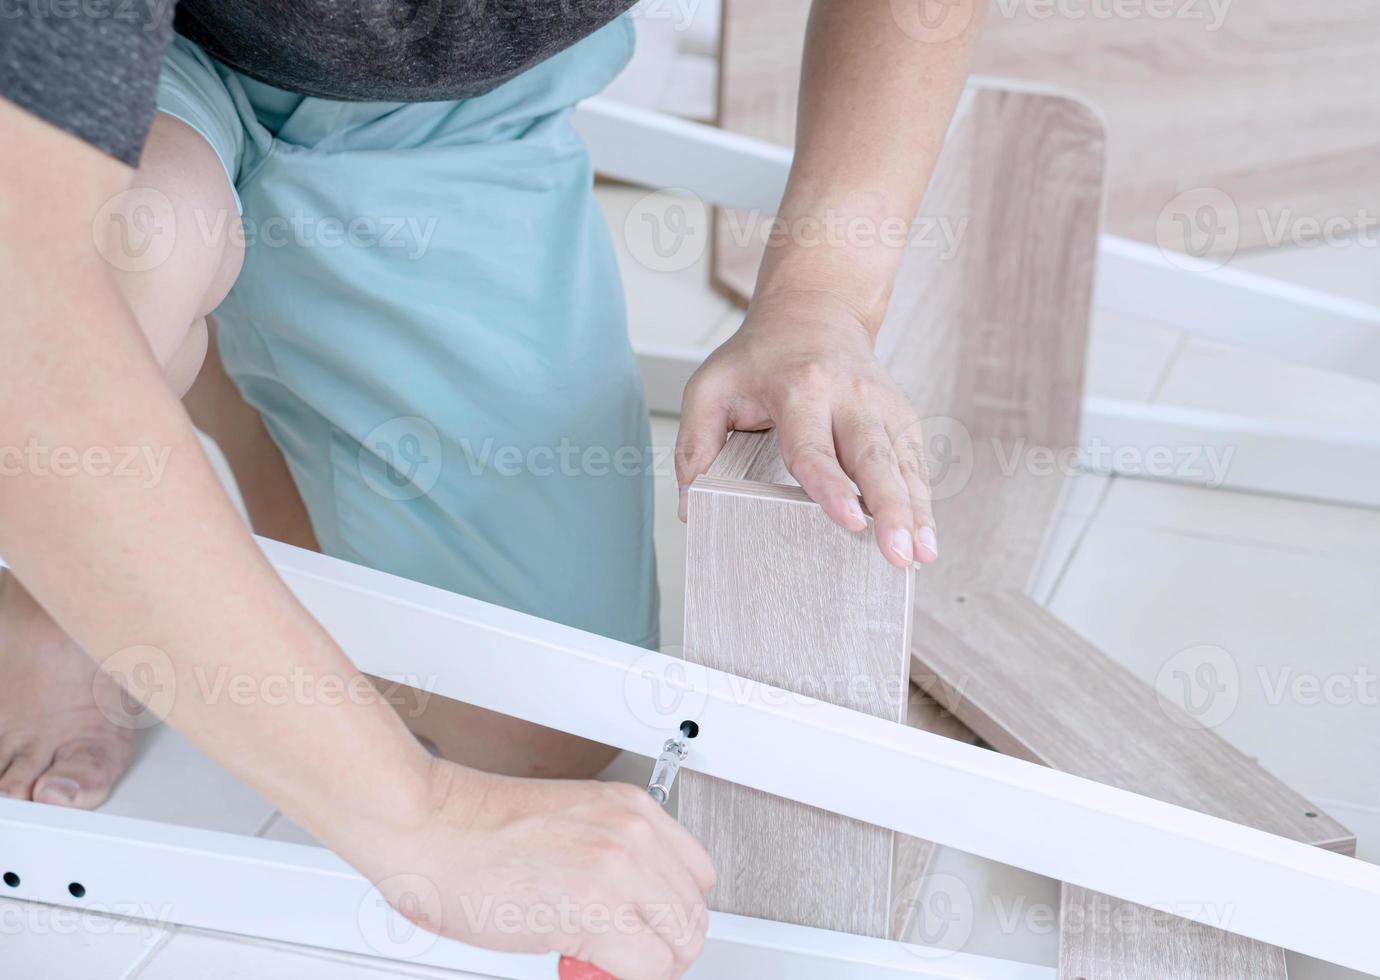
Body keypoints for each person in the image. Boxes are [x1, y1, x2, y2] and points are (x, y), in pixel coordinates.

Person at [0, 1, 978, 976]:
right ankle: (42, 572)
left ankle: (216, 380)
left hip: (444, 109)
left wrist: (822, 295)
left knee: (531, 730)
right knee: (115, 270)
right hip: (117, 88)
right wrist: (424, 822)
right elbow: (23, 322)